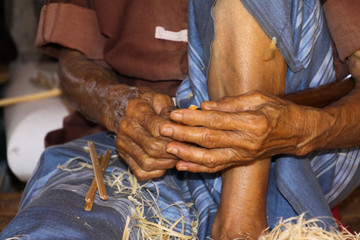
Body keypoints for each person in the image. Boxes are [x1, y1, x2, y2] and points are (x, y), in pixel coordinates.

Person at [1, 0, 360, 239]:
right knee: (52, 227)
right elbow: (76, 62)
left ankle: (240, 224)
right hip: (134, 154)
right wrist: (119, 106)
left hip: (297, 152)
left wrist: (304, 130)